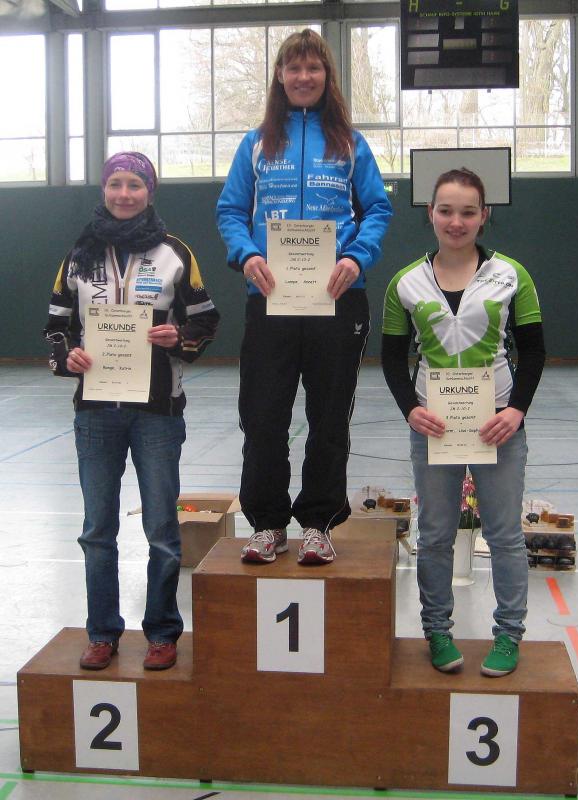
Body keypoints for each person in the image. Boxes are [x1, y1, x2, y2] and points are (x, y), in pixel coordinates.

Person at [216, 29, 392, 566]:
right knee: (263, 417)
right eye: (294, 68)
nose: (303, 77)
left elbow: (378, 209)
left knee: (329, 417)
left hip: (338, 299)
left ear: (326, 76)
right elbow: (230, 211)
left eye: (313, 67)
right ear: (280, 75)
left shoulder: (350, 143)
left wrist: (355, 258)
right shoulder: (256, 143)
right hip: (270, 300)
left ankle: (318, 523)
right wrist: (247, 254)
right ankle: (267, 524)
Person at [44, 152, 220, 671]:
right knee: (97, 530)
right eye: (116, 183)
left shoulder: (175, 253)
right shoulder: (78, 255)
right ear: (104, 189)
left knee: (162, 530)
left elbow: (207, 319)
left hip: (158, 413)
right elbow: (56, 326)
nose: (124, 193)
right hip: (96, 412)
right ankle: (102, 632)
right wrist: (67, 357)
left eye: (135, 185)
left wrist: (178, 336)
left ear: (150, 191)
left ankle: (162, 632)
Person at [381, 168, 545, 676]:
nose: (457, 221)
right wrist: (411, 409)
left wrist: (515, 410)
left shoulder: (512, 275)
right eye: (446, 210)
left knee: (505, 536)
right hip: (435, 429)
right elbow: (391, 358)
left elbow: (534, 352)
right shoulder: (405, 283)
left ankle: (509, 634)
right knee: (434, 534)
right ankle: (437, 630)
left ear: (484, 215)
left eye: (468, 211)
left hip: (498, 426)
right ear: (430, 213)